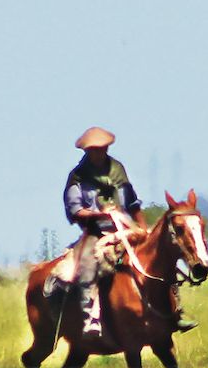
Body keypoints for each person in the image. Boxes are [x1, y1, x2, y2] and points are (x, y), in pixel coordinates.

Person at [61, 127, 191, 335]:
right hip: (95, 232)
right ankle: (90, 318)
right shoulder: (77, 177)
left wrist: (143, 228)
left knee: (161, 259)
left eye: (102, 149)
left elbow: (132, 202)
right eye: (94, 150)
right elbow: (75, 210)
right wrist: (100, 215)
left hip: (125, 227)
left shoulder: (117, 170)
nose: (98, 153)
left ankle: (175, 311)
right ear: (86, 151)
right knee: (88, 264)